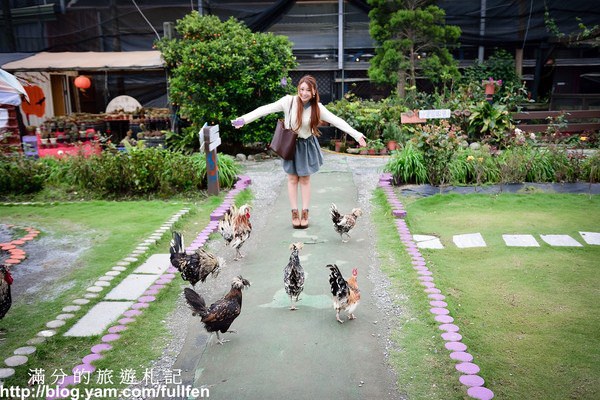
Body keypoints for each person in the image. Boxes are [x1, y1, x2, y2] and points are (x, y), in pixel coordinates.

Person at [232, 75, 367, 229]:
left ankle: (305, 212)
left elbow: (337, 121)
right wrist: (243, 119)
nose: (304, 93)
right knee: (292, 179)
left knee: (305, 180)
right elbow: (265, 109)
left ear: (314, 92)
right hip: (290, 144)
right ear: (298, 89)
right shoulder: (288, 101)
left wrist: (357, 135)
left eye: (308, 90)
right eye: (301, 89)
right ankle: (294, 212)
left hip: (306, 145)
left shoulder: (318, 108)